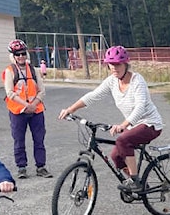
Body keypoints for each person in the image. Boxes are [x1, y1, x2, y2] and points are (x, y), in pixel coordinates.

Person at [58, 46, 164, 194]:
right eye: (111, 64)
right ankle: (138, 181)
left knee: (122, 141)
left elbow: (140, 107)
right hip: (132, 125)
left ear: (126, 64)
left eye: (118, 64)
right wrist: (70, 109)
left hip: (150, 123)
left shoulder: (137, 81)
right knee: (115, 156)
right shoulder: (112, 81)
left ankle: (135, 182)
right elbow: (93, 96)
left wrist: (124, 125)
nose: (114, 68)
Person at [3, 39, 51, 179]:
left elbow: (42, 91)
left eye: (23, 53)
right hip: (18, 111)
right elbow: (10, 93)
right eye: (17, 54)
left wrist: (34, 104)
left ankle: (41, 166)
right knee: (19, 140)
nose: (21, 56)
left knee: (39, 139)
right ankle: (21, 167)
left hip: (36, 110)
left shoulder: (34, 70)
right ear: (13, 56)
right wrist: (25, 105)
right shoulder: (10, 71)